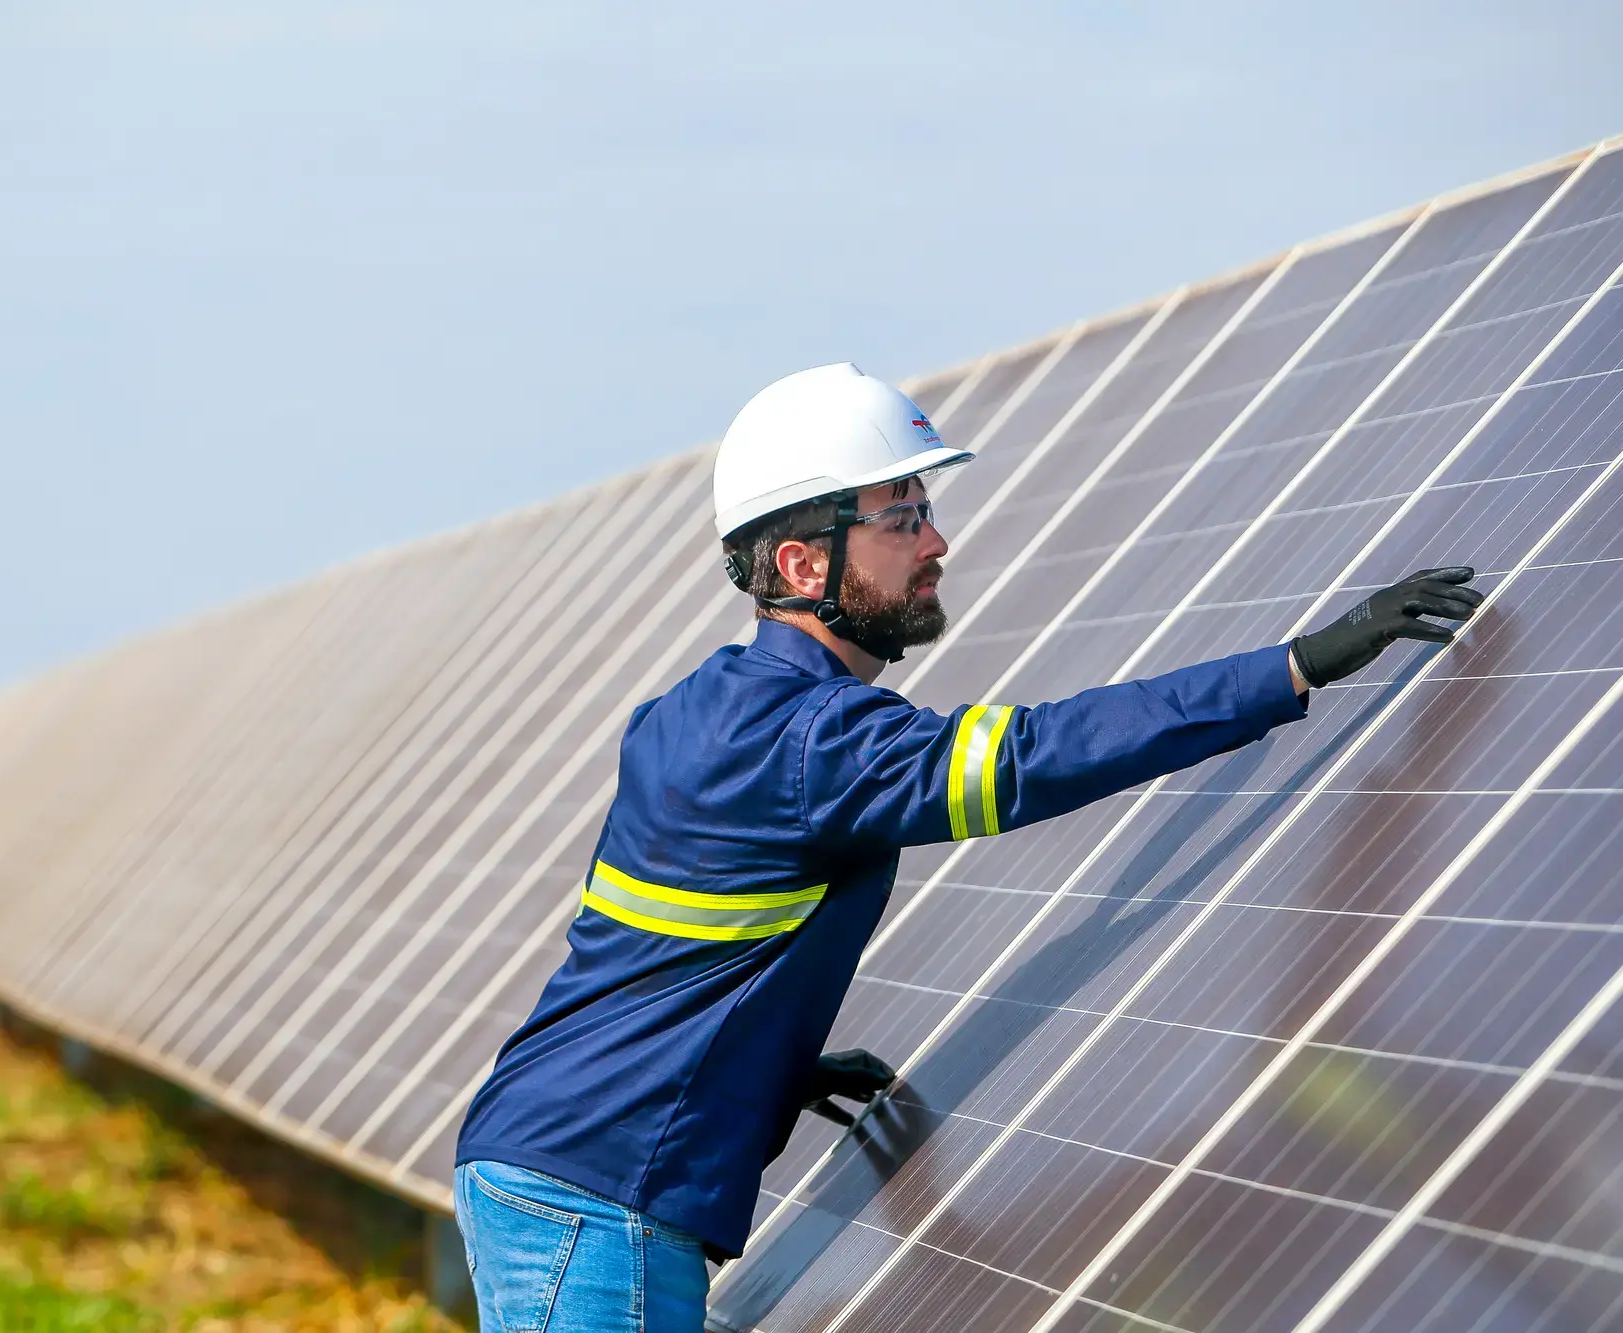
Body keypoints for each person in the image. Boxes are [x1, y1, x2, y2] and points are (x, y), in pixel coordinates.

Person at [452, 363, 1482, 1332]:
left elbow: (662, 951)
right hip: (599, 1198)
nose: (936, 543)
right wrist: (1294, 666)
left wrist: (764, 1060)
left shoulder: (687, 713)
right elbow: (1036, 755)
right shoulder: (814, 743)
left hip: (538, 1161)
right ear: (804, 562)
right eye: (900, 520)